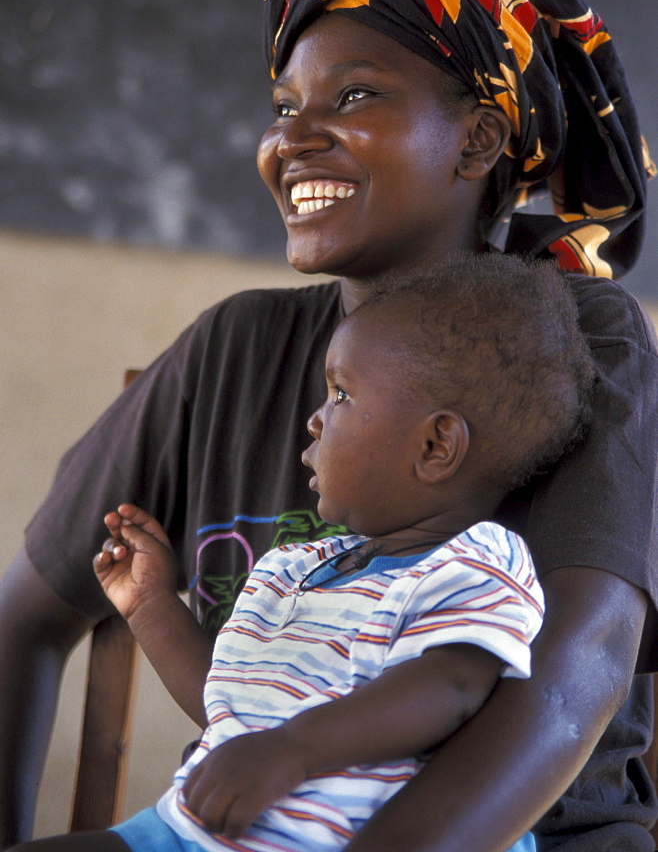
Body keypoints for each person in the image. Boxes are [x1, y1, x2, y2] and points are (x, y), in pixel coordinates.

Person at [1, 0, 656, 852]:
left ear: (477, 141)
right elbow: (23, 619)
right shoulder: (231, 351)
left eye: (351, 97)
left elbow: (579, 670)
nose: (292, 139)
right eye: (282, 107)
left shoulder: (578, 338)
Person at [10, 252, 595, 852]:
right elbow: (230, 700)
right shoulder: (293, 569)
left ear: (436, 444)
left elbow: (449, 687)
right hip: (185, 833)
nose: (314, 421)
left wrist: (292, 751)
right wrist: (149, 605)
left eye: (340, 394)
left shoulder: (476, 564)